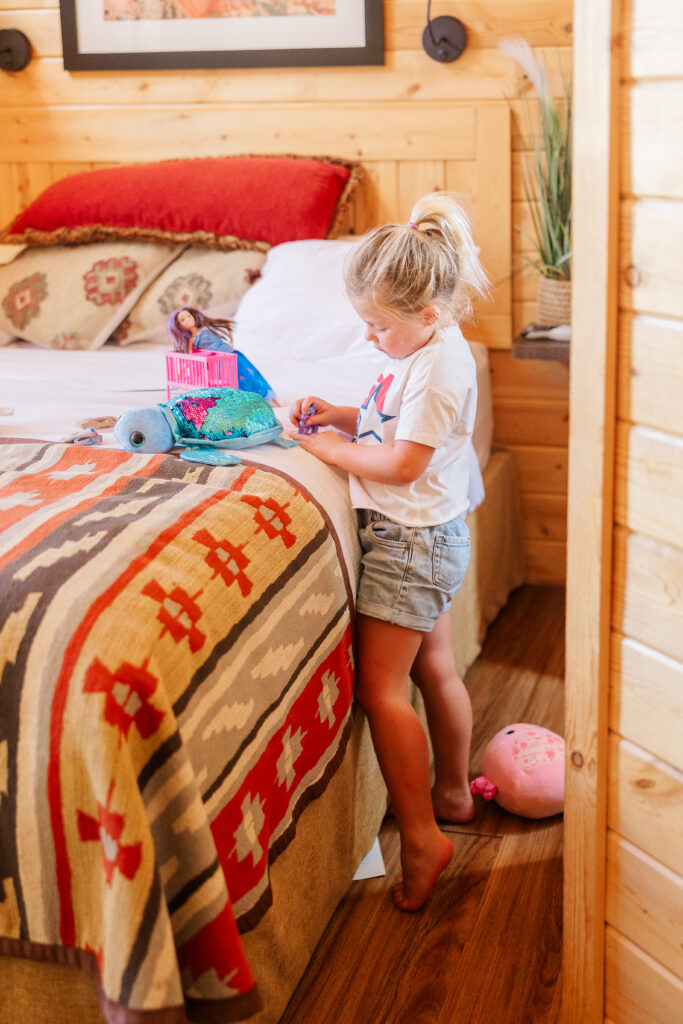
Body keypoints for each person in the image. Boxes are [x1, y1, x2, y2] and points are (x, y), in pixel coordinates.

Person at [289, 193, 489, 912]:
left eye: (379, 326)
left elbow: (403, 462)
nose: (371, 337)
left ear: (427, 316)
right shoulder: (422, 353)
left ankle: (421, 834)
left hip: (410, 543)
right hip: (428, 536)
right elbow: (389, 418)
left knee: (380, 689)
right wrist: (343, 415)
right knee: (434, 667)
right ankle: (454, 794)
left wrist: (329, 450)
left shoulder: (439, 370)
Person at [167, 306, 276, 402]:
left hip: (231, 354)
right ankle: (252, 400)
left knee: (251, 374)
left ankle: (268, 396)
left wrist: (231, 342)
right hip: (219, 363)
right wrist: (181, 372)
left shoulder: (206, 329)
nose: (188, 320)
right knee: (238, 381)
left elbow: (227, 325)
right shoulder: (192, 339)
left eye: (189, 316)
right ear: (180, 326)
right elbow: (189, 357)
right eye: (183, 319)